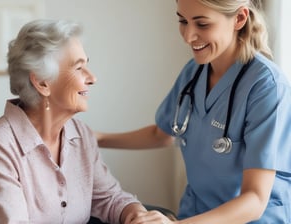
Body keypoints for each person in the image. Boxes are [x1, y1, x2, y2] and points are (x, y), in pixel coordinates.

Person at [96, 0, 291, 223]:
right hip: (196, 213)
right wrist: (96, 138)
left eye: (202, 24)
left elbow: (255, 199)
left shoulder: (266, 87)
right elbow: (162, 134)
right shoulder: (194, 72)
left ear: (239, 18)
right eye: (183, 21)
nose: (188, 36)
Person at [0, 19, 172, 224]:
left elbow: (109, 198)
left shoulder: (81, 135)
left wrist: (138, 216)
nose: (92, 78)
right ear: (43, 82)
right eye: (79, 68)